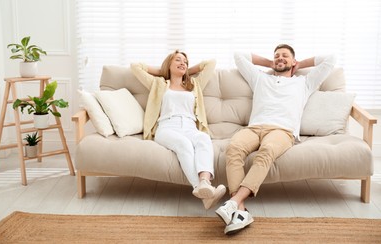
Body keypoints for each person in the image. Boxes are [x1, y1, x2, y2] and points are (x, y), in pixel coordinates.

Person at [215, 44, 336, 234]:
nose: (280, 58)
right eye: (277, 56)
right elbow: (239, 55)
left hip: (282, 131)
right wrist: (270, 62)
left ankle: (233, 202)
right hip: (254, 128)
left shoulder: (304, 83)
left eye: (285, 56)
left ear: (293, 61)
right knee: (234, 148)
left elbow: (330, 59)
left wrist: (298, 63)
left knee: (267, 151)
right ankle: (240, 209)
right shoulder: (260, 78)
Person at [131, 50, 226, 209]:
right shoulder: (159, 84)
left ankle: (204, 183)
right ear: (169, 64)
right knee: (184, 145)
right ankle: (200, 189)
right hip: (167, 127)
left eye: (186, 62)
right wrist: (163, 71)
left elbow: (210, 63)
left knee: (203, 138)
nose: (183, 63)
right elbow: (135, 67)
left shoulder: (194, 85)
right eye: (178, 60)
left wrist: (187, 71)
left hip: (190, 126)